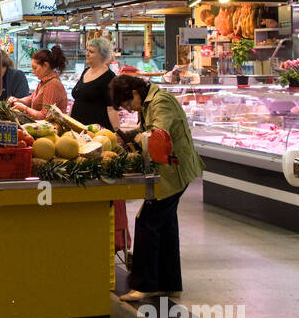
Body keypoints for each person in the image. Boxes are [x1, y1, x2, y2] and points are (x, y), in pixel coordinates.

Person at [109, 74, 204, 302]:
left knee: (147, 222)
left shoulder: (161, 102)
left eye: (127, 104)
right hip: (169, 171)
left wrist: (137, 137)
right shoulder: (149, 102)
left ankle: (145, 285)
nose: (129, 109)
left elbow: (156, 135)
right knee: (165, 226)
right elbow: (146, 131)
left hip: (175, 172)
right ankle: (170, 285)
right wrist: (127, 136)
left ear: (133, 93)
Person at [9, 45, 70, 119]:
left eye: (35, 68)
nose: (33, 72)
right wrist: (17, 100)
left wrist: (25, 108)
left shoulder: (53, 85)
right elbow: (31, 99)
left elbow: (45, 116)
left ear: (45, 65)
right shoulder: (44, 82)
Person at [71, 37, 118, 128]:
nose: (87, 54)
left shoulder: (109, 77)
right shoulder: (85, 71)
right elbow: (77, 100)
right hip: (77, 128)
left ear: (102, 55)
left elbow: (112, 108)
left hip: (96, 131)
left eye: (91, 52)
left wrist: (117, 131)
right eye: (87, 50)